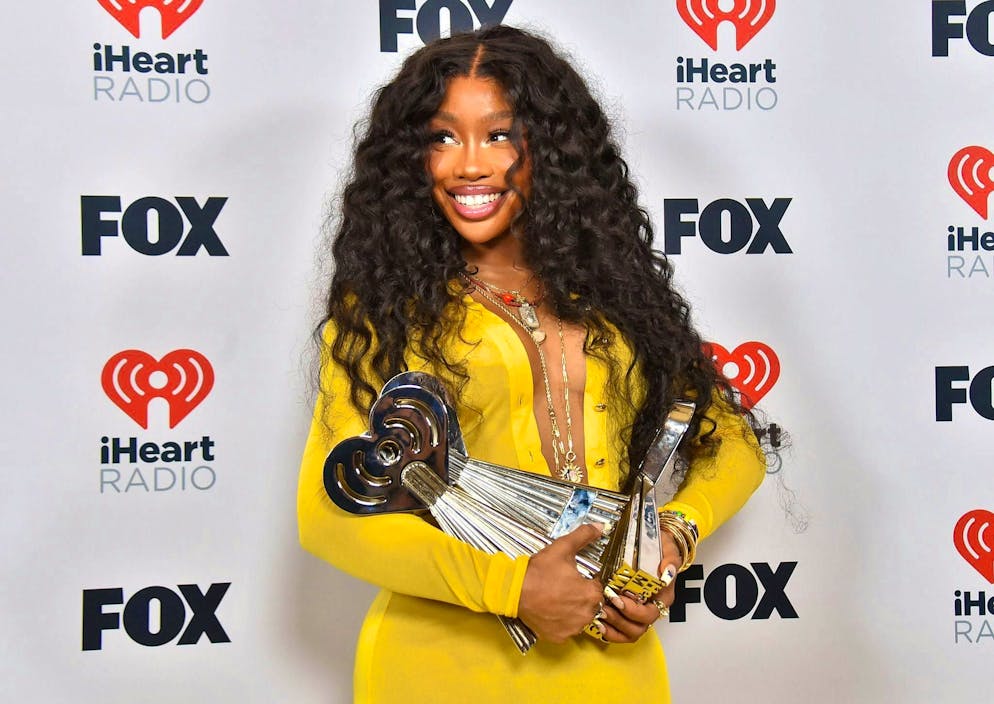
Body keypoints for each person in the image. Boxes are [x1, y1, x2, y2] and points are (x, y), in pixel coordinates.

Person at [298, 25, 770, 703]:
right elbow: (327, 512)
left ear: (549, 147)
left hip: (610, 663)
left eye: (498, 135)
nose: (468, 164)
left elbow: (733, 441)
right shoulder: (385, 306)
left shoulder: (615, 295)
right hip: (441, 669)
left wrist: (668, 537)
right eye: (441, 136)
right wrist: (514, 588)